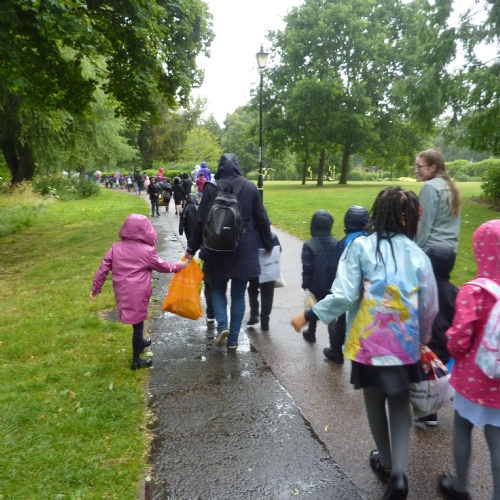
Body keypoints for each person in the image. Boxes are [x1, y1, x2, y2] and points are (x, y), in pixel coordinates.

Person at [291, 187, 438, 500]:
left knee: (374, 402)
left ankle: (385, 462)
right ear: (407, 219)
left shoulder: (361, 247)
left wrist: (309, 314)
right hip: (406, 347)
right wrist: (424, 337)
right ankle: (399, 476)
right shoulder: (418, 254)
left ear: (378, 213)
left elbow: (344, 295)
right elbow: (429, 305)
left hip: (369, 345)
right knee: (400, 404)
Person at [185, 153, 273, 349]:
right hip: (244, 246)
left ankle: (222, 326)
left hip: (216, 246)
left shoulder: (211, 188)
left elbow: (200, 220)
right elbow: (262, 217)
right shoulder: (250, 187)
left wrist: (191, 248)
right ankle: (233, 339)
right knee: (239, 294)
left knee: (217, 288)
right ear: (238, 167)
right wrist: (268, 243)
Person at [438, 220, 500, 500]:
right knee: (497, 440)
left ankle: (460, 485)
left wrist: (451, 346)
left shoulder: (474, 291)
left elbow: (460, 339)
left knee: (462, 425)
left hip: (472, 379)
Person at [90, 214, 188, 370]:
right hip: (139, 292)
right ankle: (136, 360)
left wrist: (96, 288)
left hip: (122, 291)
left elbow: (103, 267)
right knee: (138, 324)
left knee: (136, 321)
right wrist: (178, 266)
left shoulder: (116, 247)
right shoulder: (147, 251)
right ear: (146, 230)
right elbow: (163, 266)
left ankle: (141, 343)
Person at [323, 205, 369, 364]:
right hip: (370, 293)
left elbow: (333, 267)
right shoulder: (373, 241)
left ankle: (336, 351)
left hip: (349, 291)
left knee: (343, 320)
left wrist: (331, 287)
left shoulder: (343, 243)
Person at [418, 243, 458, 427]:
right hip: (444, 346)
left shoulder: (421, 289)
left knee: (423, 378)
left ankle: (427, 411)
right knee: (436, 377)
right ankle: (432, 411)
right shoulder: (455, 292)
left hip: (423, 345)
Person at [300, 210, 339, 344]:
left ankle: (311, 333)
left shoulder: (309, 244)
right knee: (330, 310)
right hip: (332, 284)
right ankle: (333, 342)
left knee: (314, 307)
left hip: (315, 284)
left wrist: (305, 284)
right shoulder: (336, 243)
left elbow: (307, 267)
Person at [415, 149, 460, 255]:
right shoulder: (451, 186)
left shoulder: (430, 187)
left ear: (432, 168)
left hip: (432, 250)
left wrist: (416, 250)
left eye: (419, 166)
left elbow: (424, 223)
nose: (416, 171)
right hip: (449, 250)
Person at [247, 231, 281, 333]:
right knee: (268, 295)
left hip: (255, 269)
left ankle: (254, 314)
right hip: (269, 270)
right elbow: (279, 250)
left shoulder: (251, 236)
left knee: (252, 289)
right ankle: (265, 321)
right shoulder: (273, 236)